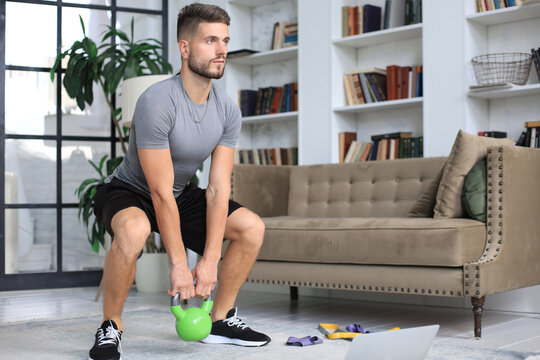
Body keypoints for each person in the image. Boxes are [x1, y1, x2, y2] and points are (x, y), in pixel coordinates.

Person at [88, 3, 270, 359]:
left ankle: (220, 319)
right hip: (129, 191)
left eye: (225, 41)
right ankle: (111, 325)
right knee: (134, 230)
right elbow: (157, 191)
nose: (221, 51)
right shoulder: (156, 101)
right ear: (185, 48)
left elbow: (218, 189)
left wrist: (209, 260)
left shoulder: (228, 110)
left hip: (179, 192)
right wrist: (178, 265)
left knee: (251, 227)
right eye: (210, 41)